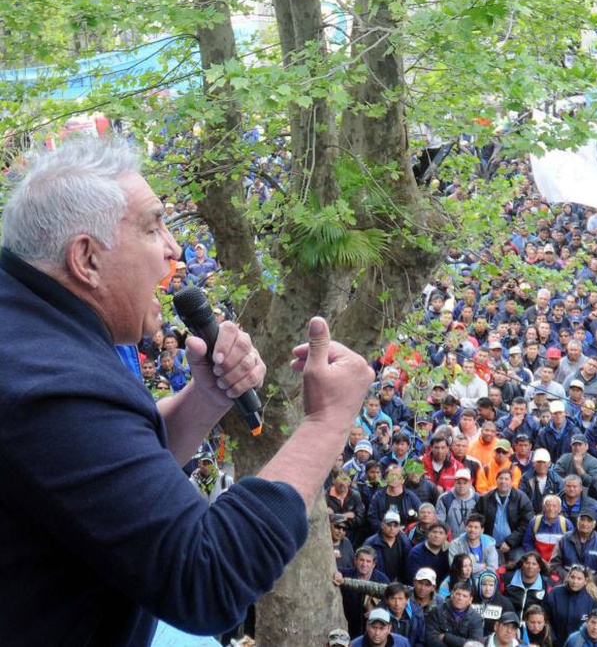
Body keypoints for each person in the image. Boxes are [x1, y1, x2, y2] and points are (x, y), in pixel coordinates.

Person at [0, 139, 375, 644]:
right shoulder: (53, 383)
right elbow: (209, 578)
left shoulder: (27, 327)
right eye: (153, 227)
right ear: (86, 259)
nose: (174, 249)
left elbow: (94, 471)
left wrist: (206, 399)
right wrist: (326, 423)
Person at [544, 565, 597, 645]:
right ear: (568, 577)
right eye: (572, 577)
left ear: (585, 581)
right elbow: (545, 619)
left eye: (579, 579)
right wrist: (553, 640)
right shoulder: (555, 594)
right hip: (557, 643)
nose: (575, 581)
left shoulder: (593, 597)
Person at [378, 582, 427, 647]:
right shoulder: (378, 616)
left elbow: (420, 641)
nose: (397, 603)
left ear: (407, 600)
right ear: (387, 600)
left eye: (400, 599)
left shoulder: (417, 614)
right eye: (393, 599)